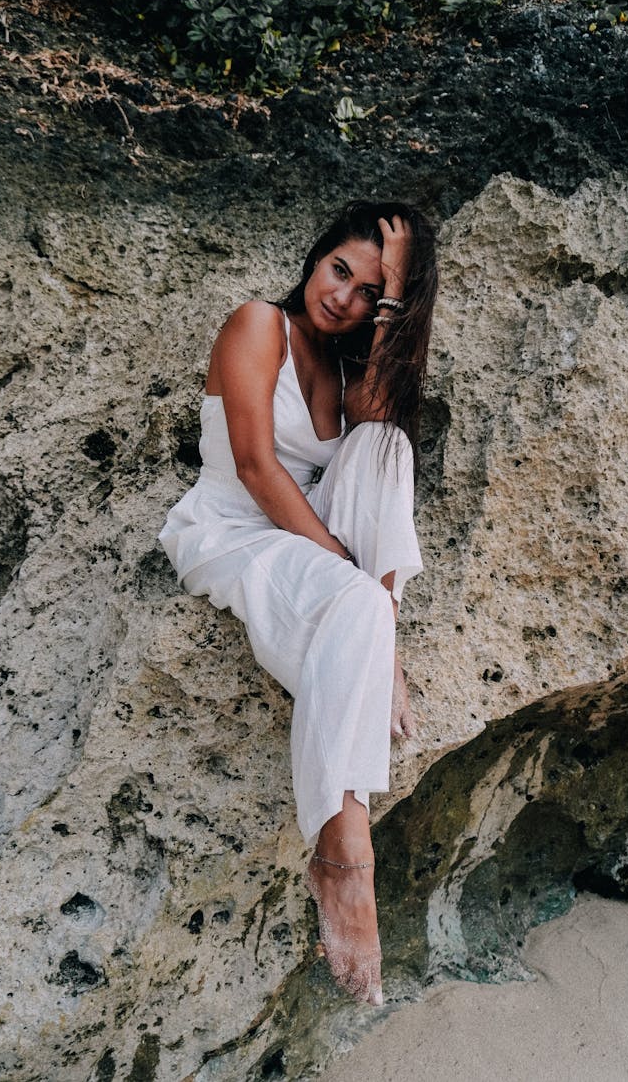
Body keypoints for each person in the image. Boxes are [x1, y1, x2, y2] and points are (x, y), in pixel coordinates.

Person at [159, 200, 438, 1006]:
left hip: (309, 539)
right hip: (239, 530)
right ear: (313, 261)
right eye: (339, 271)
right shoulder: (257, 325)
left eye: (368, 292)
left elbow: (379, 442)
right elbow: (254, 465)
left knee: (383, 443)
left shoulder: (353, 371)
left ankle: (374, 637)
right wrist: (347, 570)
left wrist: (401, 293)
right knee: (354, 599)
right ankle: (346, 855)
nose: (344, 297)